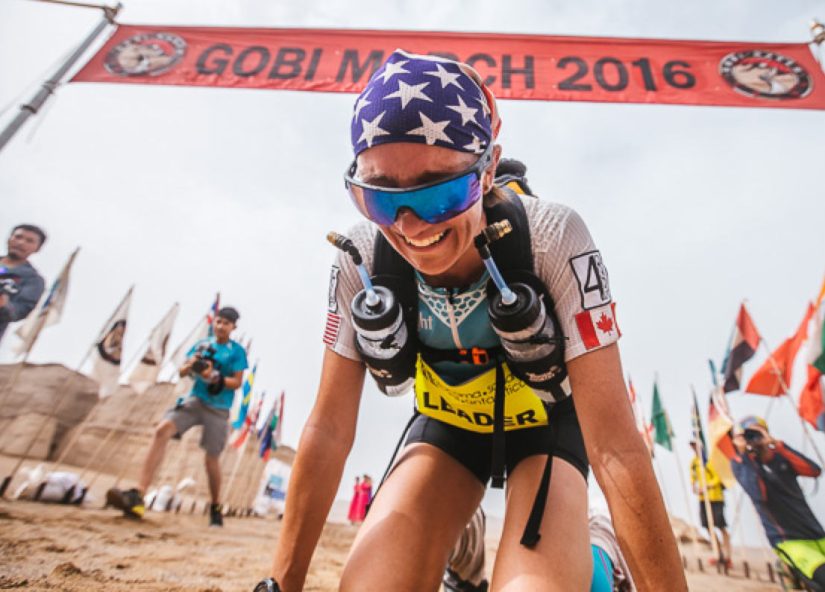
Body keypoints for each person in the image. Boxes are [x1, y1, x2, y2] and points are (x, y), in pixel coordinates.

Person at [257, 50, 685, 592]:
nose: (411, 227)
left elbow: (617, 448)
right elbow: (328, 429)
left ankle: (597, 552)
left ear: (487, 170)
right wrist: (280, 584)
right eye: (380, 197)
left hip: (546, 426)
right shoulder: (360, 258)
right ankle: (461, 545)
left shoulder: (553, 238)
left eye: (440, 193)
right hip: (448, 428)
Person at [107, 306, 248, 527]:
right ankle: (139, 494)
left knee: (211, 458)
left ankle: (215, 506)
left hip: (218, 408)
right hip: (194, 400)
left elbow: (237, 382)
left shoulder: (237, 352)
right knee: (161, 431)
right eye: (218, 321)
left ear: (233, 327)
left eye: (226, 323)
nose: (221, 326)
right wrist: (192, 366)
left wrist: (214, 376)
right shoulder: (202, 345)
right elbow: (182, 371)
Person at [726, 416, 825, 587]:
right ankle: (788, 569)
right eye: (748, 435)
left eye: (757, 432)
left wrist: (776, 445)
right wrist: (744, 453)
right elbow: (757, 493)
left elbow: (814, 470)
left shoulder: (780, 457)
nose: (753, 438)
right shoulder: (741, 464)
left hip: (816, 533)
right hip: (789, 540)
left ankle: (791, 574)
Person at [0, 224, 46, 345]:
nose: (21, 243)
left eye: (29, 241)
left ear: (37, 248)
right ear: (9, 238)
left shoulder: (33, 280)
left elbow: (19, 311)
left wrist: (4, 305)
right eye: (18, 237)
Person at [689, 439, 732, 568]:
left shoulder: (711, 460)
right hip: (703, 499)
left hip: (716, 497)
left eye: (695, 445)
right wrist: (694, 486)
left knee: (721, 526)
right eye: (692, 446)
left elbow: (718, 477)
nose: (693, 448)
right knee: (708, 527)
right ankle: (718, 554)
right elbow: (693, 477)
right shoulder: (694, 463)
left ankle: (727, 555)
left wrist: (707, 486)